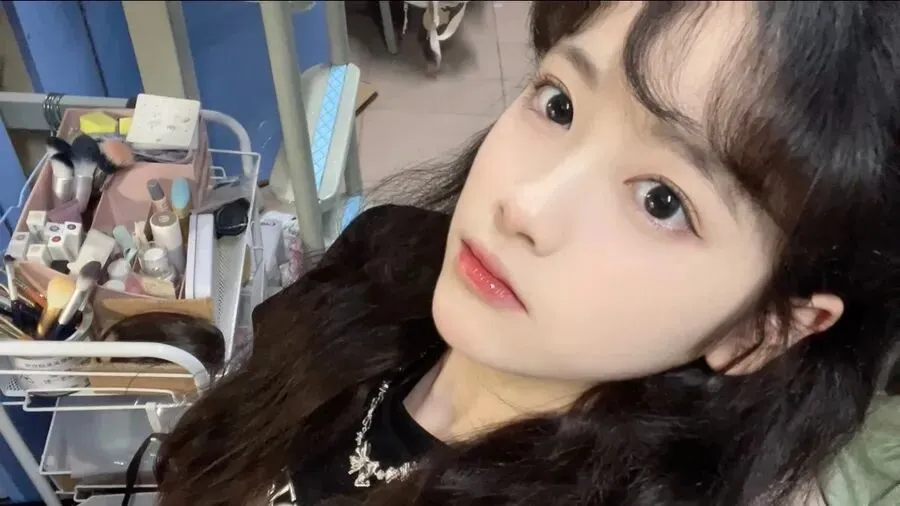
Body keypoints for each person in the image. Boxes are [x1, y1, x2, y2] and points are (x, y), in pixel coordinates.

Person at [155, 2, 900, 505]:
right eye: (559, 104)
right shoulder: (377, 258)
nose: (525, 205)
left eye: (662, 201)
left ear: (761, 330)